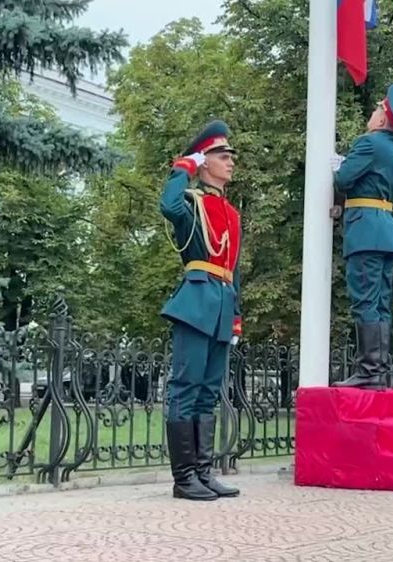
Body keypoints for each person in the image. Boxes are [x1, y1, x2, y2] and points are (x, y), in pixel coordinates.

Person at [159, 119, 243, 501]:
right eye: (222, 156)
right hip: (195, 300)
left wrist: (237, 315)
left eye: (230, 157)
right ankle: (184, 477)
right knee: (186, 387)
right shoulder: (191, 202)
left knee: (209, 391)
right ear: (204, 160)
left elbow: (234, 266)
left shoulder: (232, 214)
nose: (230, 162)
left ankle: (204, 473)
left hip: (222, 301)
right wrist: (184, 167)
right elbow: (168, 205)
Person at [330, 83, 393, 390]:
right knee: (380, 302)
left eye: (376, 110)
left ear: (382, 119)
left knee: (364, 299)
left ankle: (368, 370)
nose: (372, 113)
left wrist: (337, 165)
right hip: (387, 231)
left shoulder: (370, 144)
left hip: (365, 231)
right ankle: (377, 369)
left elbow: (343, 179)